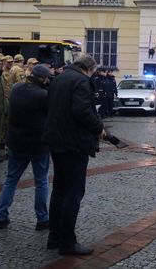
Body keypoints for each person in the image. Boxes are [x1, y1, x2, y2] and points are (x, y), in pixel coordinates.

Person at [43, 54, 105, 256]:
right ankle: (67, 242)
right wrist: (98, 128)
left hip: (56, 140)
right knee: (73, 192)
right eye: (93, 72)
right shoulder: (81, 81)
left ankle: (54, 236)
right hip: (74, 143)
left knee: (59, 189)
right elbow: (82, 111)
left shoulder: (59, 78)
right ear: (88, 69)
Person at [0, 64, 52, 230]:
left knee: (10, 180)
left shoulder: (16, 89)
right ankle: (42, 218)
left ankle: (1, 216)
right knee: (41, 182)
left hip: (16, 142)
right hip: (38, 144)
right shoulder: (43, 95)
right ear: (43, 79)